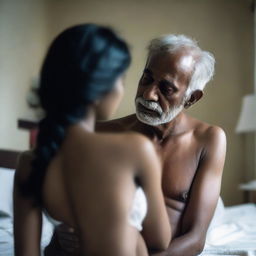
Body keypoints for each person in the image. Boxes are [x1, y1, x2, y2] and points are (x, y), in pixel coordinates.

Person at [47, 34, 227, 256]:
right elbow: (68, 210)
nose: (148, 94)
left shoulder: (208, 140)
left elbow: (195, 238)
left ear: (191, 98)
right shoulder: (102, 134)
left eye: (166, 88)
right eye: (146, 79)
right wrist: (63, 231)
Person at [13, 24, 171, 256]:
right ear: (100, 89)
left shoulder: (30, 162)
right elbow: (160, 240)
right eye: (121, 80)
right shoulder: (134, 149)